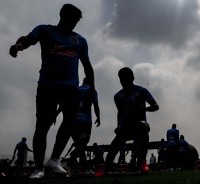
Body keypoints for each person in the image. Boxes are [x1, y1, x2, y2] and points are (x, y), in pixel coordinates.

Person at [9, 4, 95, 178]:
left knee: (70, 123)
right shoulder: (45, 30)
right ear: (63, 16)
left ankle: (54, 160)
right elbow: (28, 39)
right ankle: (38, 168)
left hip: (71, 87)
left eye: (77, 21)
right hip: (48, 85)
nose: (74, 24)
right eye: (72, 20)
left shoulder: (80, 40)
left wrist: (92, 88)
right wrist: (18, 46)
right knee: (43, 125)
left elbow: (87, 66)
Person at [97, 67, 159, 176]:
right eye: (121, 79)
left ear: (132, 78)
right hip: (126, 125)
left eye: (126, 79)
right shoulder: (118, 96)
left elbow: (155, 106)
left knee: (143, 132)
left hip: (140, 124)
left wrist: (145, 109)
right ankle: (106, 167)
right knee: (115, 143)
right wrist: (119, 125)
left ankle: (142, 163)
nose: (123, 82)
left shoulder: (141, 91)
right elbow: (120, 112)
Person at [57, 77, 100, 173]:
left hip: (72, 120)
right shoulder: (92, 90)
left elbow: (65, 104)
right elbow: (95, 105)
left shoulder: (76, 89)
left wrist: (56, 114)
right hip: (85, 121)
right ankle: (69, 162)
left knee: (79, 145)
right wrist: (98, 117)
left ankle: (85, 168)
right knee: (83, 144)